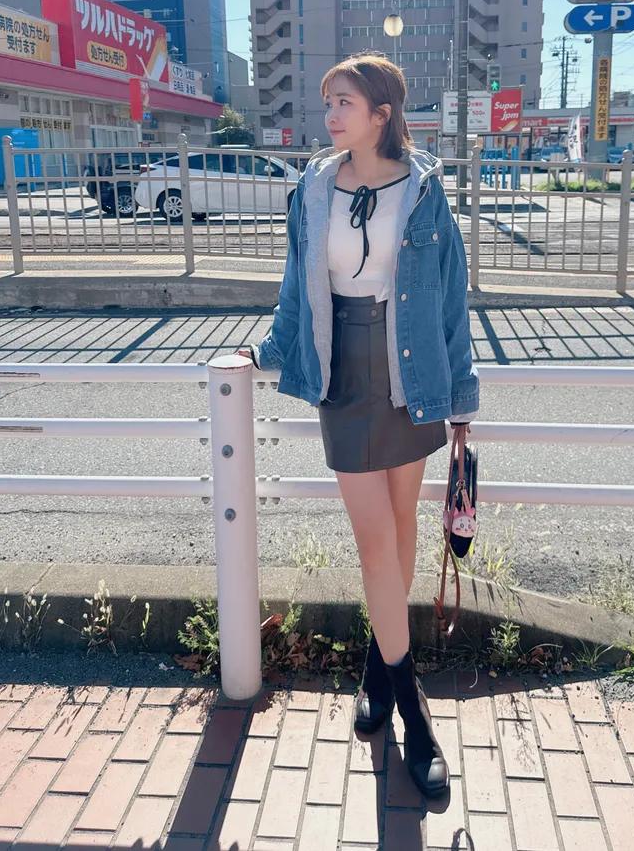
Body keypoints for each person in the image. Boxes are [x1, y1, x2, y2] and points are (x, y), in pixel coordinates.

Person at [240, 52, 478, 798]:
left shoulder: (424, 189)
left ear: (382, 113)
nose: (331, 115)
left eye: (344, 102)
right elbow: (295, 285)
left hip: (412, 371)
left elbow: (450, 298)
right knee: (375, 541)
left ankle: (378, 674)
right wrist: (268, 350)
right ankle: (414, 714)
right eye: (329, 102)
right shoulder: (313, 187)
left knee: (402, 530)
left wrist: (461, 397)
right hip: (341, 370)